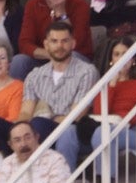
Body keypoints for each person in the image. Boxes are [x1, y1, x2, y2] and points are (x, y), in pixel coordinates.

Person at [21, 20, 100, 165]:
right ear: (46, 45)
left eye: (64, 41)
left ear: (73, 44)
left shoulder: (87, 71)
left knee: (38, 124)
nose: (59, 46)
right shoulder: (34, 75)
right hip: (39, 129)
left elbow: (75, 115)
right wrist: (18, 129)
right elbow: (26, 112)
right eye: (54, 41)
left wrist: (44, 120)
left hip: (71, 129)